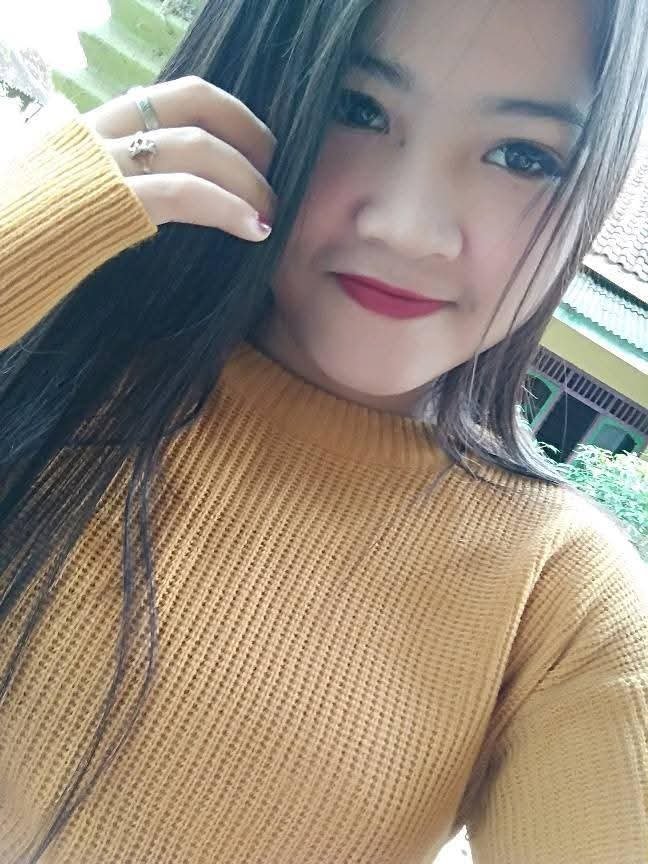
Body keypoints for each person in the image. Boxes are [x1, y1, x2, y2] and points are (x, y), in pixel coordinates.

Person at [0, 0, 646, 861]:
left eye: (524, 156)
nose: (406, 227)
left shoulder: (561, 604)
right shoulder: (54, 342)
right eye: (357, 108)